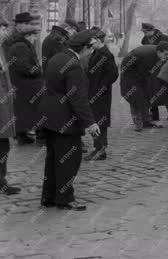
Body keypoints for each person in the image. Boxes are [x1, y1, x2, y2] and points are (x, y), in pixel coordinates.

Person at [39, 29, 101, 211]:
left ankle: (49, 196)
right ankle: (65, 199)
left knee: (52, 160)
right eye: (91, 49)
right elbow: (78, 99)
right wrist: (90, 122)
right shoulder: (74, 66)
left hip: (50, 118)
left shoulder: (57, 58)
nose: (91, 53)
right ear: (84, 48)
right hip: (65, 121)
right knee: (69, 160)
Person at [2, 12, 43, 145]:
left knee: (22, 110)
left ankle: (22, 134)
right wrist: (38, 70)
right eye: (26, 24)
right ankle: (27, 135)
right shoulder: (18, 43)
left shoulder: (18, 42)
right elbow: (22, 66)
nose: (35, 39)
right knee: (28, 110)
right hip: (22, 83)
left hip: (18, 82)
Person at [120, 42, 168, 132]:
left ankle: (146, 120)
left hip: (139, 73)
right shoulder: (147, 57)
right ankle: (138, 123)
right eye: (165, 54)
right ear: (159, 51)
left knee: (145, 95)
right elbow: (146, 72)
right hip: (129, 74)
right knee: (135, 97)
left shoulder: (157, 53)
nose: (167, 56)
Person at [85, 29, 118, 161]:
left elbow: (113, 74)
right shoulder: (96, 52)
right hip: (93, 93)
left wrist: (102, 87)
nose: (89, 43)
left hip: (100, 95)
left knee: (100, 121)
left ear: (98, 40)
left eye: (91, 41)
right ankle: (97, 148)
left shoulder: (106, 54)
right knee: (94, 120)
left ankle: (101, 150)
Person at [0, 18, 20, 195]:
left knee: (3, 145)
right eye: (2, 29)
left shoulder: (1, 49)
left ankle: (2, 181)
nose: (5, 33)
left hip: (4, 107)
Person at [140, 23, 168, 122]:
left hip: (163, 68)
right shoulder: (144, 40)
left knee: (165, 90)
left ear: (152, 30)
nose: (145, 34)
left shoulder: (164, 38)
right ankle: (154, 115)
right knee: (151, 91)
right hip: (151, 68)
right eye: (143, 32)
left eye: (146, 32)